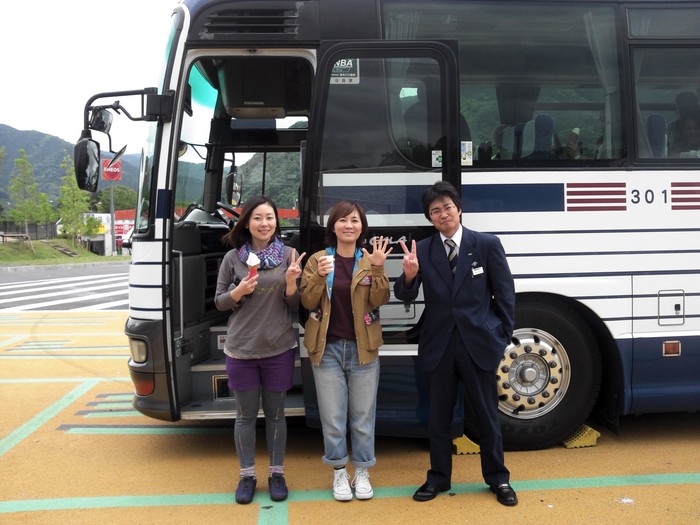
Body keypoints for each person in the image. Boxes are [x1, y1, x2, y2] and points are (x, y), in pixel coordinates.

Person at [393, 181, 518, 507]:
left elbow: (505, 293)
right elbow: (404, 295)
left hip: (479, 344)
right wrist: (409, 275)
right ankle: (438, 477)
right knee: (439, 417)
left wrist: (502, 336)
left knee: (487, 416)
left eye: (447, 207)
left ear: (458, 209)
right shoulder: (422, 249)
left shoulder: (486, 244)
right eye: (435, 211)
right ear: (430, 217)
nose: (443, 214)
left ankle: (499, 479)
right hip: (439, 345)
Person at [214, 195, 305, 505]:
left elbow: (295, 304)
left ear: (276, 222)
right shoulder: (233, 259)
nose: (264, 223)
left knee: (277, 416)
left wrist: (291, 283)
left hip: (279, 347)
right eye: (257, 218)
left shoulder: (290, 255)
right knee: (245, 416)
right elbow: (219, 302)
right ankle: (247, 475)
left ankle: (277, 473)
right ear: (246, 223)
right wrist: (237, 292)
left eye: (269, 218)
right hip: (241, 349)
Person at [299, 200, 392, 501]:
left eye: (354, 220)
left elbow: (379, 300)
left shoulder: (369, 259)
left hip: (363, 348)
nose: (348, 225)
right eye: (342, 220)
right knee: (333, 418)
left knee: (363, 418)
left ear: (362, 227)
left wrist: (378, 268)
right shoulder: (318, 259)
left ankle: (362, 471)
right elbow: (307, 301)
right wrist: (317, 276)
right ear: (333, 226)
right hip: (326, 350)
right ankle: (339, 471)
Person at [668, 91, 700, 157]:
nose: (684, 112)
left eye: (688, 108)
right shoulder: (671, 128)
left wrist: (680, 156)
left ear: (696, 107)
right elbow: (669, 153)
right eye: (680, 109)